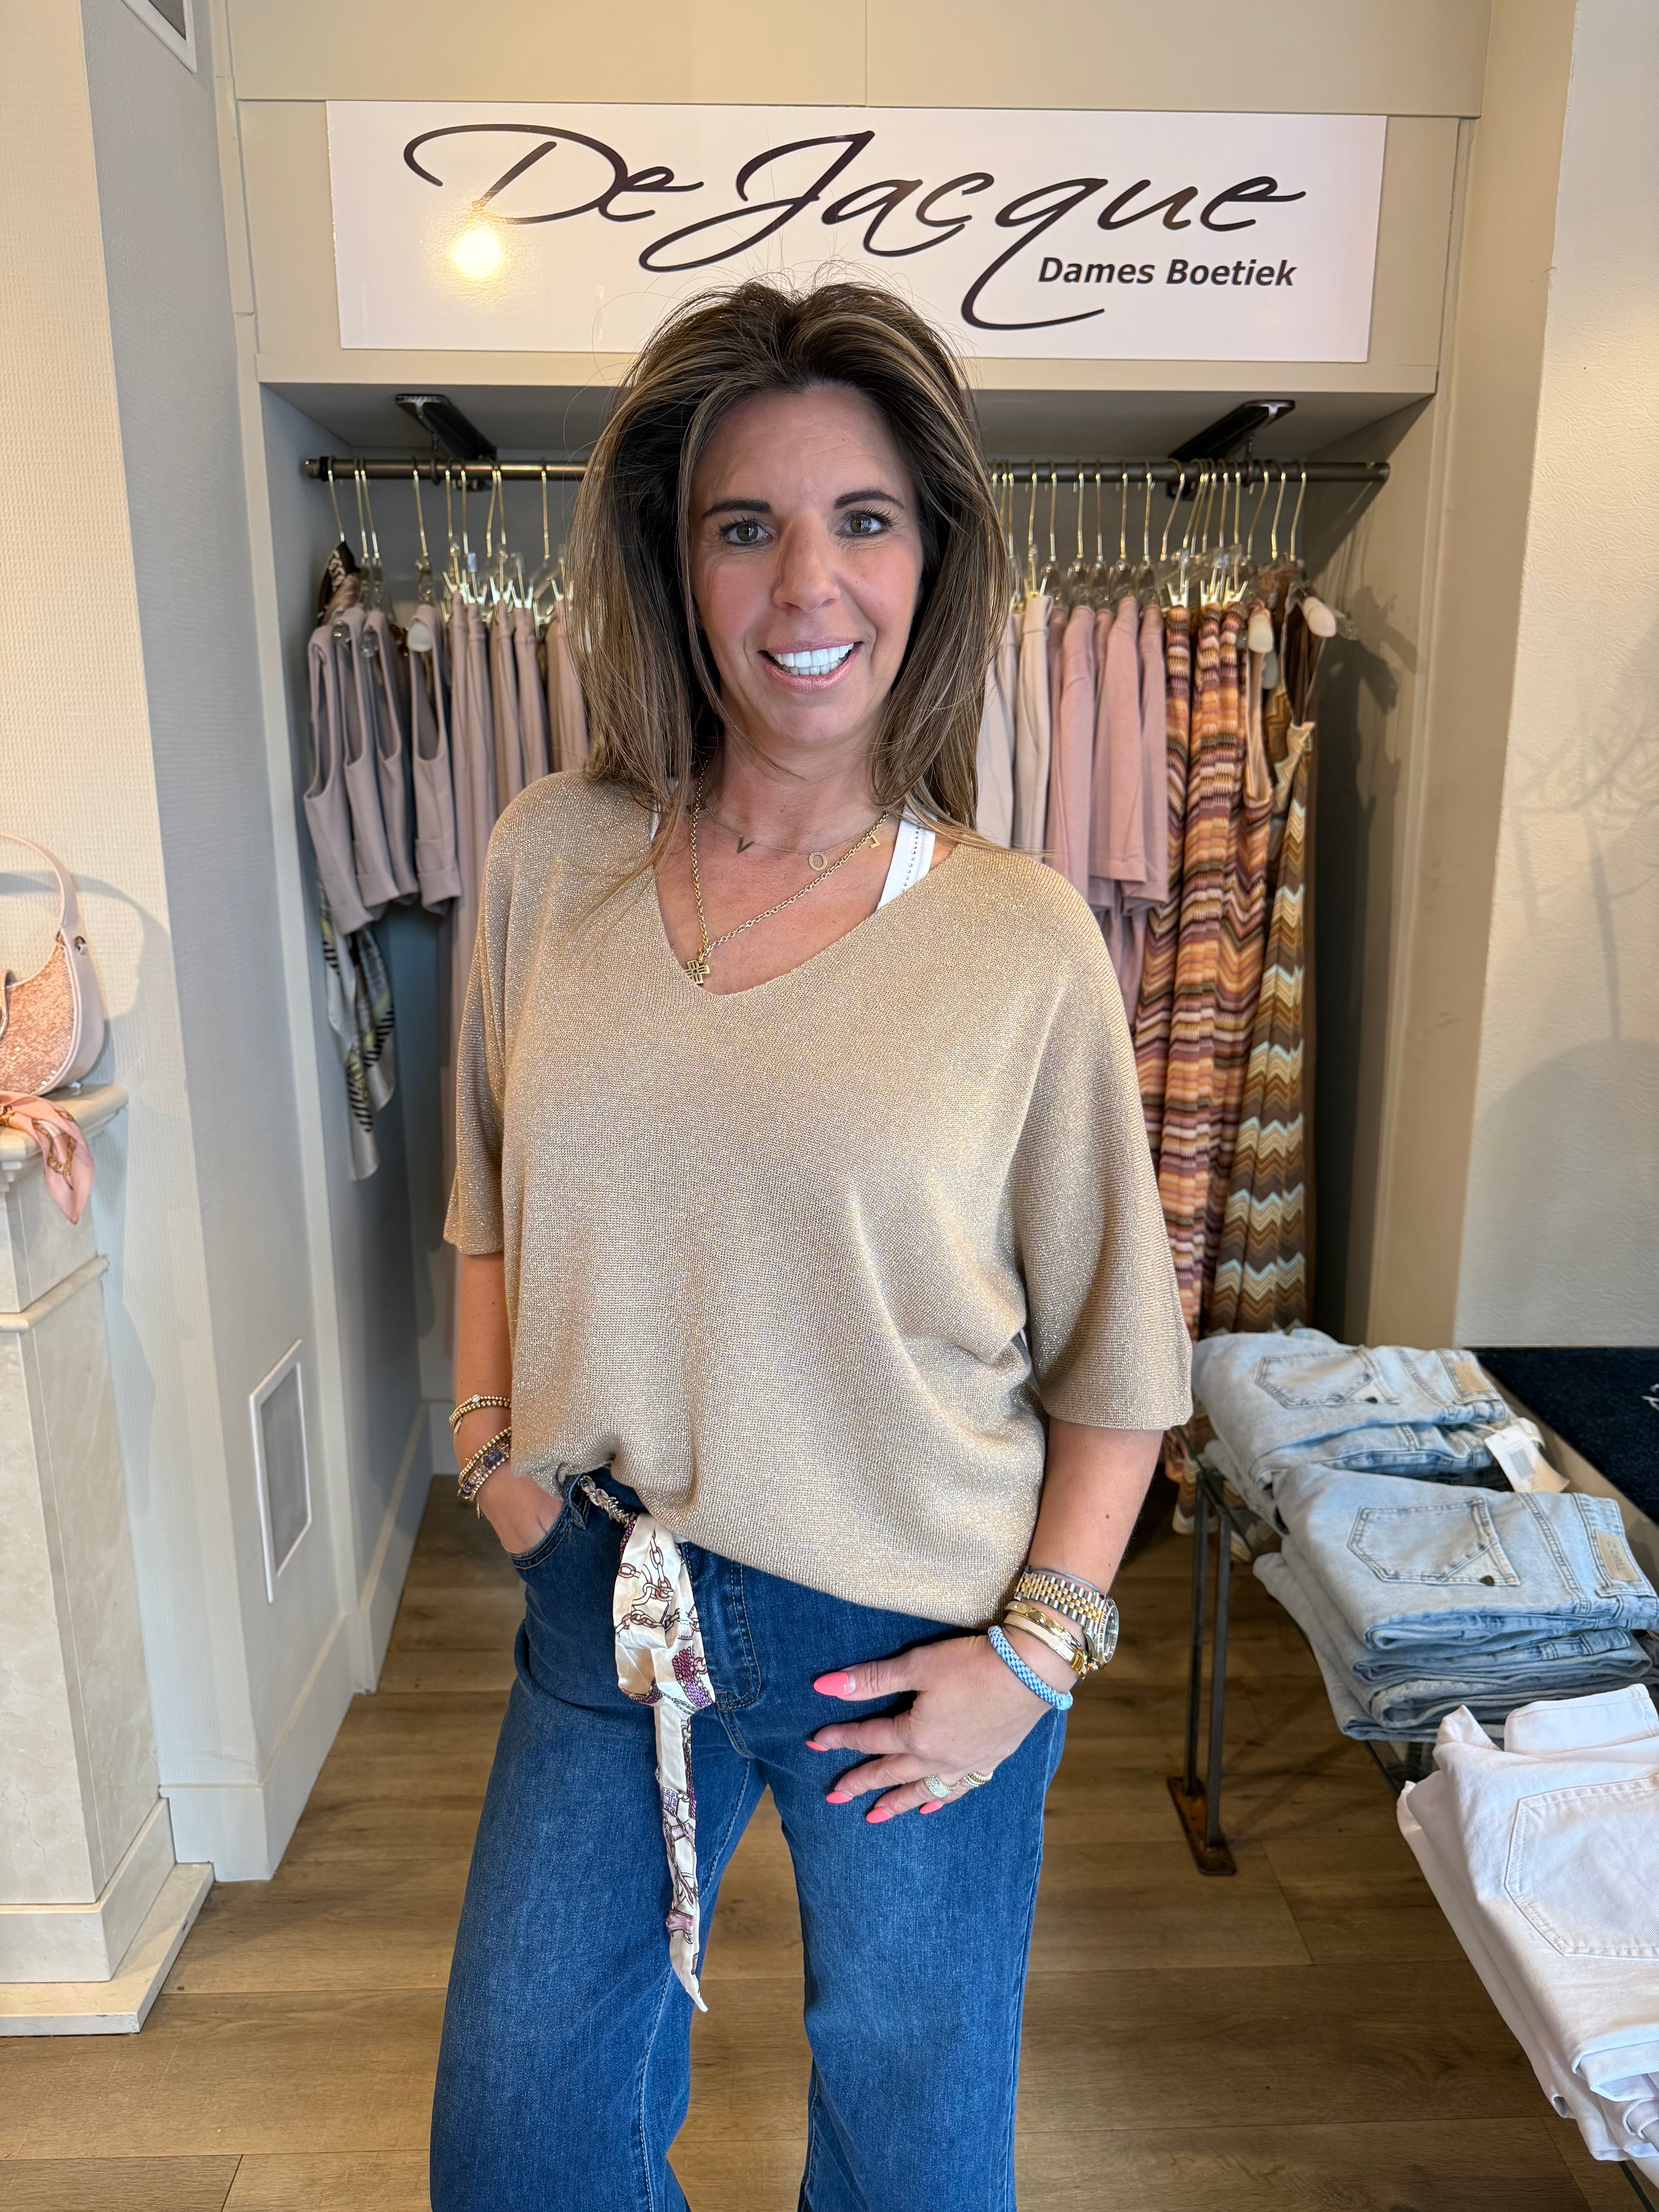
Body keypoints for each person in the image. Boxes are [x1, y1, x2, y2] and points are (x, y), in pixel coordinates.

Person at [429, 276, 1191, 2212]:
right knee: (520, 2144)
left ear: (934, 557)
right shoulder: (549, 857)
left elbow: (1121, 1364)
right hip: (608, 1596)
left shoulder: (1019, 939)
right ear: (672, 565)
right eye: (744, 525)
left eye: (863, 520)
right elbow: (488, 1194)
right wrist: (492, 1450)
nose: (806, 585)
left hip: (911, 1633)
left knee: (912, 2156)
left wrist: (1034, 1659)